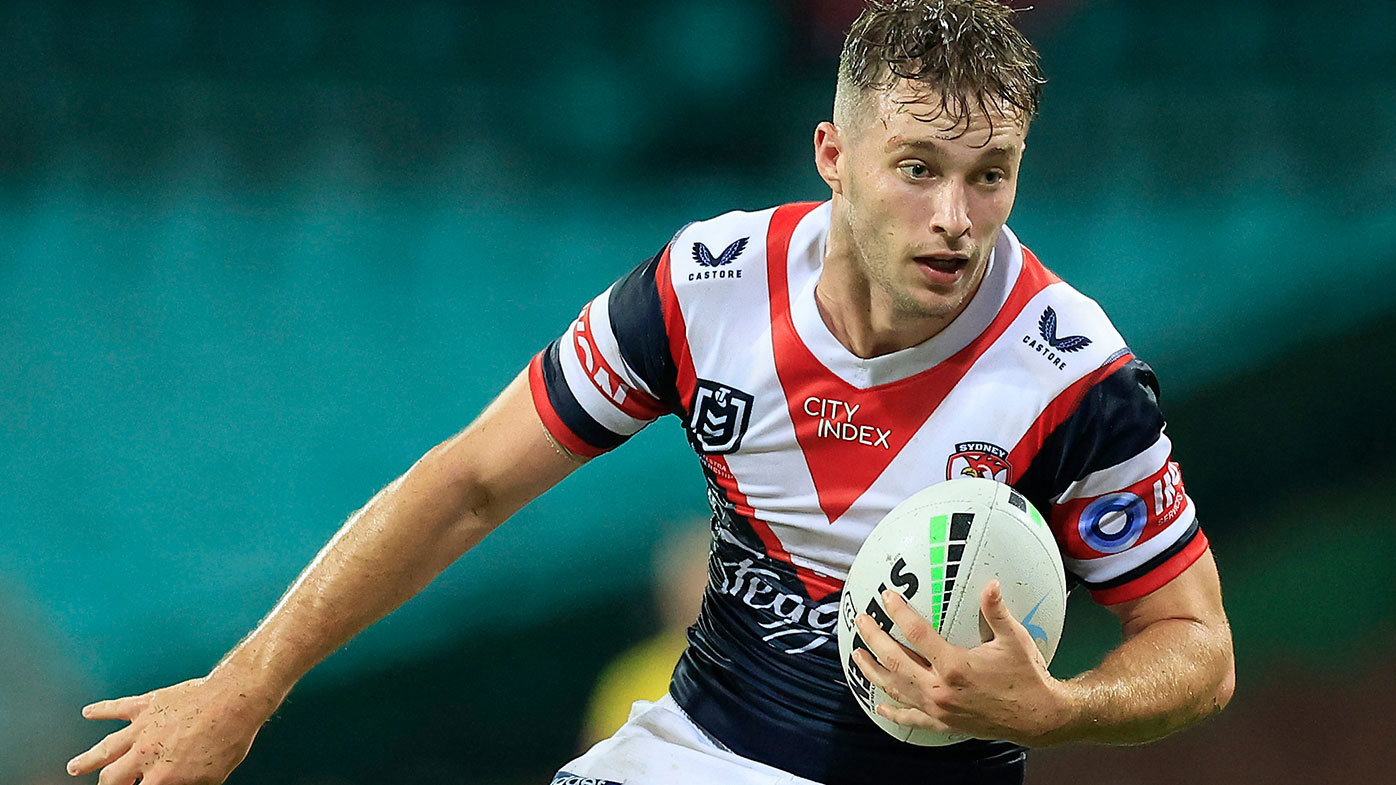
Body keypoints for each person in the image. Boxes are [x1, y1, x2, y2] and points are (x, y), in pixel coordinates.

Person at [67, 2, 1234, 784]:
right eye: (917, 168)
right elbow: (469, 482)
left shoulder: (1075, 374)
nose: (955, 218)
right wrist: (247, 682)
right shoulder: (703, 288)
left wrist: (1056, 708)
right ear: (832, 156)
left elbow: (1195, 645)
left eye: (991, 178)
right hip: (700, 749)